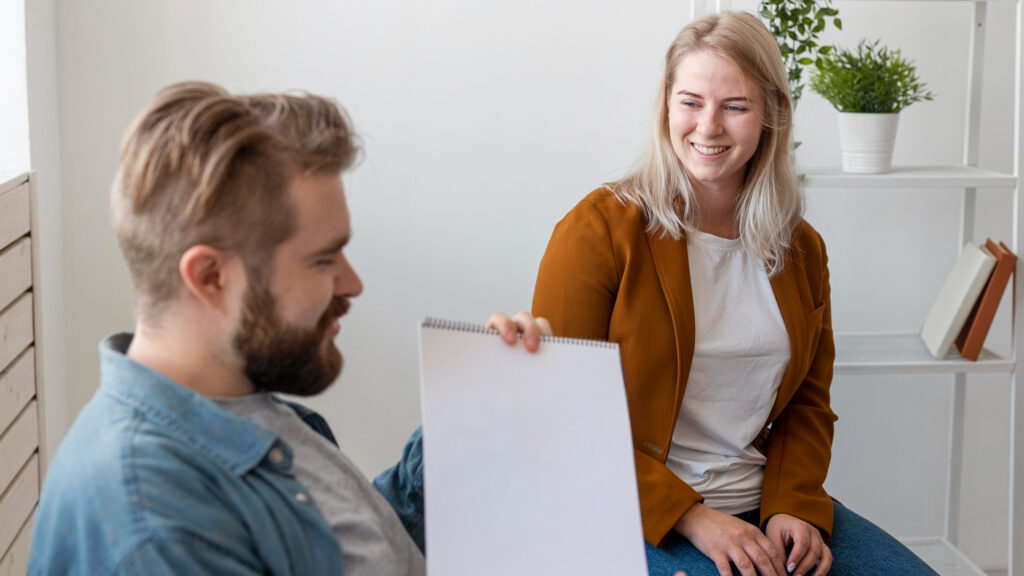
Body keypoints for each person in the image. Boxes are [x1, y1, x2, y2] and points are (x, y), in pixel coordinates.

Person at [28, 82, 551, 575]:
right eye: (323, 261)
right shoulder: (153, 530)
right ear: (210, 277)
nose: (353, 283)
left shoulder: (244, 409)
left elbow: (357, 545)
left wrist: (471, 415)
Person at [532, 11, 939, 576]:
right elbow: (559, 415)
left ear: (771, 114)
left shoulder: (800, 248)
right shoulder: (598, 230)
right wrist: (693, 517)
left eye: (735, 106)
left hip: (765, 502)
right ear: (666, 106)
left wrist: (793, 505)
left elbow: (807, 404)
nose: (709, 126)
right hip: (636, 508)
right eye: (691, 102)